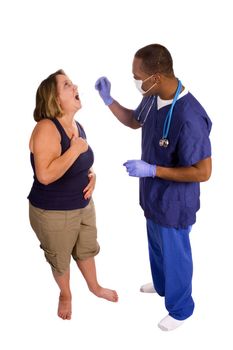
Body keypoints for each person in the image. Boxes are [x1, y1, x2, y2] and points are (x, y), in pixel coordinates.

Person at [95, 44, 212, 331]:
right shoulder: (152, 96)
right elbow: (135, 121)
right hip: (153, 196)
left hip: (175, 202)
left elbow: (204, 171)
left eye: (137, 76)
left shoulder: (189, 116)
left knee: (176, 255)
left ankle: (181, 308)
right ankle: (162, 286)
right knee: (157, 248)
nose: (135, 80)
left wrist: (152, 170)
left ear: (156, 77)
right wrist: (108, 100)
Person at [28, 69, 118, 320]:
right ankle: (66, 294)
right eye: (67, 84)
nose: (75, 85)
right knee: (61, 259)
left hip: (83, 204)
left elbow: (78, 164)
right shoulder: (46, 128)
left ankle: (94, 287)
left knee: (87, 248)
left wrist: (92, 176)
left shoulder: (77, 126)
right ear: (55, 99)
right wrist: (76, 149)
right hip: (53, 212)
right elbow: (44, 175)